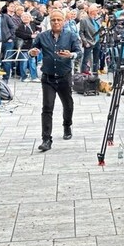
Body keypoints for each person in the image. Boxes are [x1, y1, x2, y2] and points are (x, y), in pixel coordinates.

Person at [29, 10, 82, 151]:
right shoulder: (42, 36)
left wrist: (71, 55)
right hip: (48, 77)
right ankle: (46, 139)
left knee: (68, 104)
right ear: (49, 21)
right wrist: (32, 52)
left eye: (59, 20)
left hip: (64, 76)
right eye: (53, 20)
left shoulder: (71, 36)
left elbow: (79, 52)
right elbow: (32, 49)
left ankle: (67, 125)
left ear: (64, 21)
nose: (56, 22)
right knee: (47, 107)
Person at [14, 12, 40, 82]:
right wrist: (30, 36)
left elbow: (39, 28)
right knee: (24, 62)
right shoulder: (20, 26)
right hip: (24, 46)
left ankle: (34, 77)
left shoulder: (33, 24)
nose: (26, 18)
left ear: (30, 18)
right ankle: (23, 77)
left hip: (32, 46)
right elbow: (19, 34)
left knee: (32, 62)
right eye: (24, 17)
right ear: (21, 18)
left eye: (27, 17)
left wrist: (37, 32)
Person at [79, 4, 103, 74]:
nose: (97, 12)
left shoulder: (97, 18)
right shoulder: (84, 20)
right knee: (86, 59)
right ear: (92, 11)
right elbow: (81, 32)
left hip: (97, 41)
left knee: (96, 59)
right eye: (96, 11)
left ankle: (95, 74)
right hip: (89, 41)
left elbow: (98, 28)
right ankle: (83, 73)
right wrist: (85, 42)